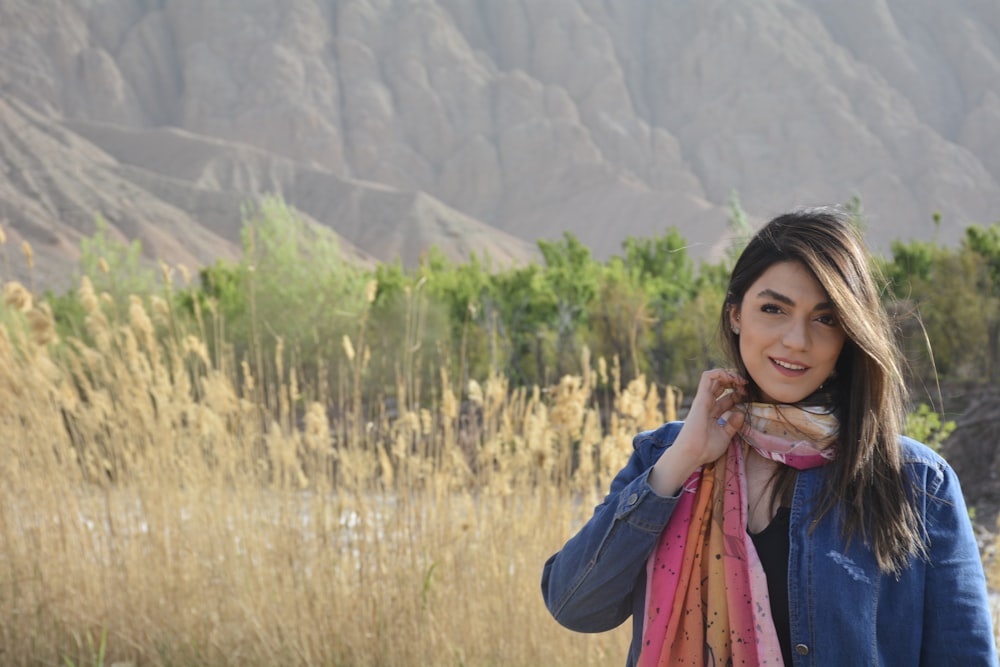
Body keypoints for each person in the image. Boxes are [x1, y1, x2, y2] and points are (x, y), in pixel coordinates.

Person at [541, 207, 997, 666]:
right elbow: (575, 606)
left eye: (826, 318)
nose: (796, 340)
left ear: (849, 337)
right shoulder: (665, 457)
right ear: (736, 314)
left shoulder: (916, 483)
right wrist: (682, 462)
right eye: (773, 309)